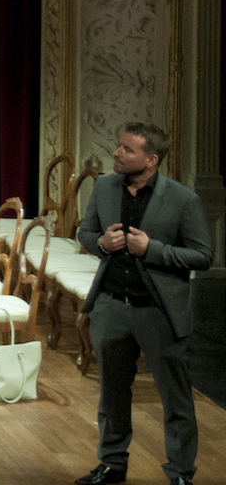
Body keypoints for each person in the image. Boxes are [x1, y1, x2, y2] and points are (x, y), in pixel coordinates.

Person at [73, 123, 214, 485]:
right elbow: (84, 232)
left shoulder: (183, 199)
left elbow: (202, 255)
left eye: (127, 149)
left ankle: (180, 473)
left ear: (151, 159)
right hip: (111, 306)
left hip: (159, 313)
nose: (116, 153)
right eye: (118, 146)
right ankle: (112, 462)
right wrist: (101, 243)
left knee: (175, 398)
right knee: (112, 393)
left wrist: (152, 249)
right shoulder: (104, 188)